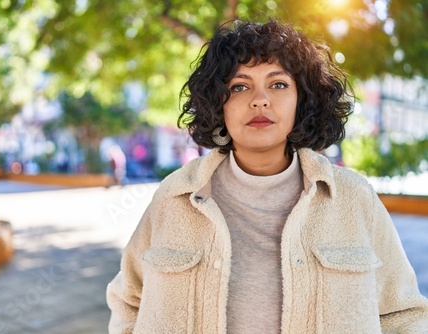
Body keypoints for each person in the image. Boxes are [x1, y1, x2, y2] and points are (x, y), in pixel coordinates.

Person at [106, 19, 428, 333]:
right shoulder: (173, 197)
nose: (259, 99)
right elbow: (129, 300)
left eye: (278, 84)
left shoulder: (354, 198)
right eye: (240, 86)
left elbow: (402, 313)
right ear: (219, 104)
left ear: (302, 101)